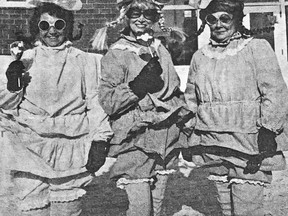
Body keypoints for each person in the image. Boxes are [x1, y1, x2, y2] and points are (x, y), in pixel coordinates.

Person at [0, 0, 113, 215]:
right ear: (37, 28)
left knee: (68, 209)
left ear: (68, 27)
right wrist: (13, 83)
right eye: (44, 26)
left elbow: (96, 104)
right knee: (33, 209)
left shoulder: (86, 61)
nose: (52, 31)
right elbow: (6, 106)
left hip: (70, 146)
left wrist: (100, 139)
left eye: (58, 24)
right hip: (29, 144)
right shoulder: (25, 60)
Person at [183, 0, 288, 215]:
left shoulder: (256, 48)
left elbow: (276, 92)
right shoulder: (200, 57)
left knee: (246, 208)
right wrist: (187, 137)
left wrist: (269, 129)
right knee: (226, 207)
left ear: (238, 20)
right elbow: (191, 101)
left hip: (248, 141)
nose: (218, 24)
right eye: (212, 19)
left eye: (225, 18)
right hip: (212, 140)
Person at [96, 0, 192, 215]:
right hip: (135, 137)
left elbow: (175, 90)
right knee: (141, 208)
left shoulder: (160, 48)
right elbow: (108, 101)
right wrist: (137, 87)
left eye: (147, 14)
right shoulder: (117, 52)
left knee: (157, 208)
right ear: (126, 16)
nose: (141, 18)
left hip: (165, 135)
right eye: (135, 13)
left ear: (155, 17)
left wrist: (185, 127)